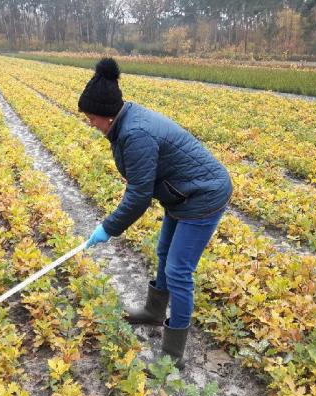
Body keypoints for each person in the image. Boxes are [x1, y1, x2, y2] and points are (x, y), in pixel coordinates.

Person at [82, 58, 232, 370]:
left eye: (91, 118)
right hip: (181, 193)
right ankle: (153, 312)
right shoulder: (125, 123)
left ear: (106, 116)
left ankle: (173, 356)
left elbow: (139, 195)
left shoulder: (136, 133)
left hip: (203, 194)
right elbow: (141, 185)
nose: (90, 124)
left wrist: (108, 228)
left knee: (178, 270)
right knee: (164, 251)